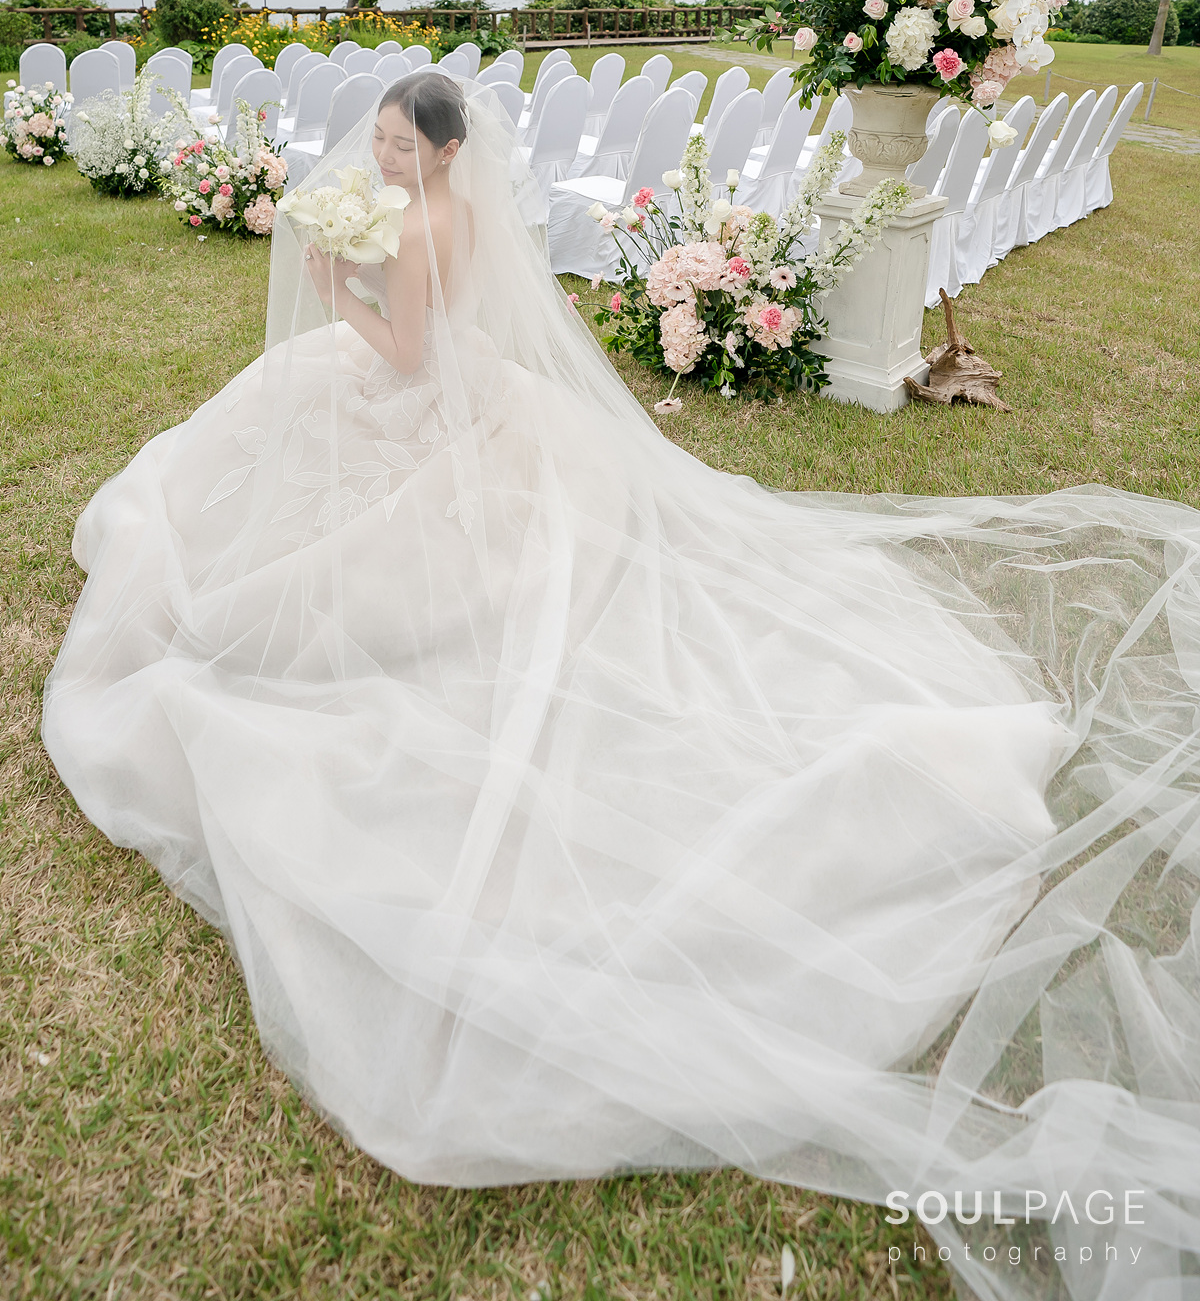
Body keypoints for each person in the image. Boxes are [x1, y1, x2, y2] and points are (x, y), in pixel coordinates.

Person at [43, 69, 1200, 1294]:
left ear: (441, 156)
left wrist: (339, 287)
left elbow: (413, 353)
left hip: (430, 409)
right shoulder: (451, 206)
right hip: (462, 390)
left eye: (392, 141)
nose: (374, 155)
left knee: (304, 518)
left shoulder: (427, 223)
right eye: (374, 137)